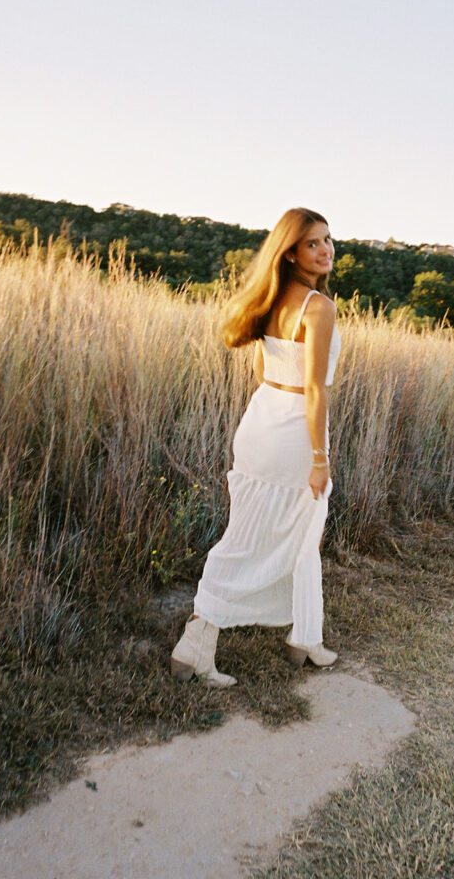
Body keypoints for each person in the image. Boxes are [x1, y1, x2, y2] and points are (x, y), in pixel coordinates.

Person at [170, 208, 341, 687]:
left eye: (328, 240)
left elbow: (266, 373)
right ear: (291, 252)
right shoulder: (319, 308)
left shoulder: (271, 297)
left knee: (294, 531)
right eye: (313, 243)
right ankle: (196, 641)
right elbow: (316, 391)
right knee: (257, 540)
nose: (326, 250)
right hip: (294, 435)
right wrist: (319, 459)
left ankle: (305, 637)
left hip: (261, 421)